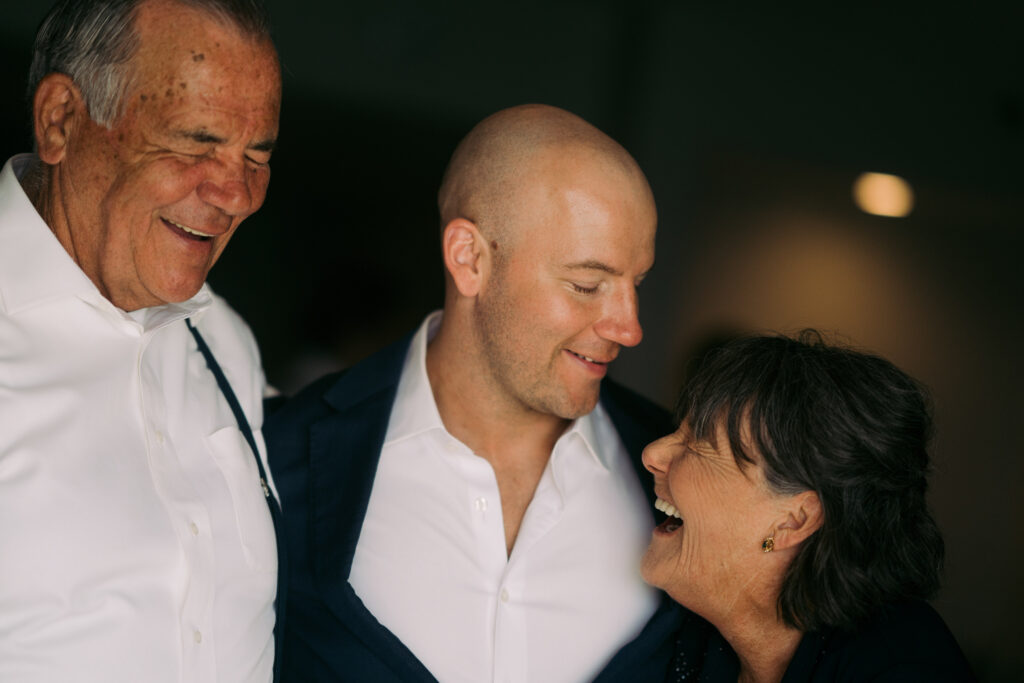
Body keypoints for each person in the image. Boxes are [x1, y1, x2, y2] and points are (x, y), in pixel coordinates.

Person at [266, 103, 683, 682]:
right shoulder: (280, 457)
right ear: (470, 260)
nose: (629, 327)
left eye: (635, 284)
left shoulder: (681, 477)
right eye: (588, 284)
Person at [0, 1, 284, 681]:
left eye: (256, 156)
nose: (236, 194)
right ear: (62, 120)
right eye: (196, 142)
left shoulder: (222, 338)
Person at [641, 331, 975, 682]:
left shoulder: (901, 670)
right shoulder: (690, 638)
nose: (652, 453)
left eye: (698, 444)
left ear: (792, 521)